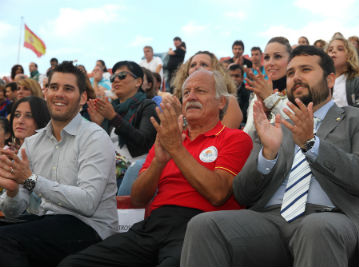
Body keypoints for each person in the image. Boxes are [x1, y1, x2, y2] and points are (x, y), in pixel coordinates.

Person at [181, 45, 359, 267]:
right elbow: (242, 193)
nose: (296, 77)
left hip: (334, 217)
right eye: (290, 73)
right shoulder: (274, 126)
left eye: (305, 70)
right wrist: (266, 156)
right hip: (270, 219)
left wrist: (313, 144)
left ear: (330, 80)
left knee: (316, 228)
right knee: (204, 225)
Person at [59, 69, 253, 266]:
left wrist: (176, 149)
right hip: (153, 225)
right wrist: (159, 161)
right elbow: (138, 197)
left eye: (201, 91)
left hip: (199, 229)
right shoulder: (167, 138)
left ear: (221, 101)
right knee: (72, 264)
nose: (191, 97)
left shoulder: (235, 138)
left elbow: (218, 193)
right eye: (186, 93)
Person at [0, 61, 117, 266]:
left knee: (4, 241)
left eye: (68, 88)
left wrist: (30, 179)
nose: (59, 94)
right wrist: (11, 192)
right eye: (54, 87)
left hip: (90, 228)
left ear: (82, 98)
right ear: (45, 93)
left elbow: (88, 203)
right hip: (49, 223)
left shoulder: (94, 137)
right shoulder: (33, 143)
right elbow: (14, 210)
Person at [87, 61, 157, 163]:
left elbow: (144, 142)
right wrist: (98, 125)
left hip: (137, 169)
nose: (115, 79)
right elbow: (101, 147)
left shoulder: (148, 106)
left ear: (138, 82)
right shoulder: (111, 108)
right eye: (113, 77)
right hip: (110, 167)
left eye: (122, 75)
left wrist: (114, 117)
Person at [173, 50, 243, 129]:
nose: (197, 67)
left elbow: (222, 139)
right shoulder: (180, 102)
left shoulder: (229, 101)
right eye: (192, 65)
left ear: (216, 71)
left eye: (204, 64)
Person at [244, 37, 292, 140]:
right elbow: (248, 137)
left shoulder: (300, 92)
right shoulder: (259, 94)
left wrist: (270, 99)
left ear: (290, 60)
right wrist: (261, 114)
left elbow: (295, 128)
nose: (270, 63)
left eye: (277, 56)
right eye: (266, 58)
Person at [326, 37, 359, 109]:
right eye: (330, 50)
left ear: (349, 56)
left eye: (340, 49)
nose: (333, 51)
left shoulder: (358, 83)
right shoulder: (320, 84)